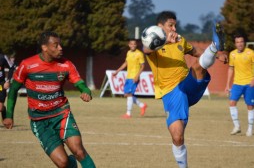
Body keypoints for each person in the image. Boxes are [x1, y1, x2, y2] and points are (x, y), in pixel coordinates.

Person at [143, 11, 226, 168]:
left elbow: (195, 52)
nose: (174, 28)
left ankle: (215, 46)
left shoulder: (180, 39)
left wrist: (217, 56)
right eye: (170, 25)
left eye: (175, 25)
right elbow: (146, 50)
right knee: (177, 137)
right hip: (172, 93)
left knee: (197, 66)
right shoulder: (153, 42)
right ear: (160, 27)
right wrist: (165, 41)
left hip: (188, 83)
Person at [3, 31, 96, 168]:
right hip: (39, 121)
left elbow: (81, 84)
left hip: (62, 114)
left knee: (79, 151)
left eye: (60, 45)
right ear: (44, 47)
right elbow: (13, 90)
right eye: (56, 45)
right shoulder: (27, 65)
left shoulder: (66, 65)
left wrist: (85, 91)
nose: (60, 48)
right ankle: (71, 164)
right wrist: (9, 116)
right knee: (63, 163)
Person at [225, 34, 254, 137]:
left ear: (244, 42)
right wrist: (227, 84)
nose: (239, 44)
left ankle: (250, 129)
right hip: (237, 83)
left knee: (250, 105)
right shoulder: (232, 54)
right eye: (237, 42)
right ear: (235, 43)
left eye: (241, 42)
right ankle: (237, 126)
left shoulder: (250, 53)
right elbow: (231, 69)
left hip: (249, 83)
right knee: (232, 103)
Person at [112, 39, 147, 119]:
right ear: (129, 45)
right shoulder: (128, 53)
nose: (133, 45)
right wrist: (117, 71)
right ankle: (142, 105)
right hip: (128, 76)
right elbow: (126, 63)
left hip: (134, 76)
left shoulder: (139, 54)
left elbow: (142, 66)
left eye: (134, 44)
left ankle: (128, 113)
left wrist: (137, 76)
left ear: (136, 45)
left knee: (129, 94)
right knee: (126, 95)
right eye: (131, 44)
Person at [0, 53, 16, 122]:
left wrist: (8, 81)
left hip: (1, 84)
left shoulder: (3, 57)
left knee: (0, 108)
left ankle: (5, 118)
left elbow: (12, 67)